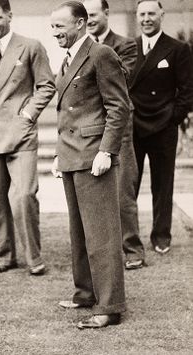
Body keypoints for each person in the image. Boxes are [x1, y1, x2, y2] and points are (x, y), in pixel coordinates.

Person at [50, 1, 129, 329]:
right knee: (80, 231)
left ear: (81, 23)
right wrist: (59, 153)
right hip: (71, 156)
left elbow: (119, 106)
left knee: (102, 234)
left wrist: (106, 151)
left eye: (60, 27)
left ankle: (109, 305)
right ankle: (86, 292)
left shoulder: (101, 54)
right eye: (52, 27)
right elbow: (67, 112)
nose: (55, 33)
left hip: (93, 157)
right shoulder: (68, 58)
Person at [0, 0, 55, 275]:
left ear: (9, 16)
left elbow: (46, 85)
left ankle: (34, 258)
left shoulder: (30, 46)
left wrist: (27, 114)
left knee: (25, 195)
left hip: (21, 134)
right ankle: (4, 256)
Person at [83, 0, 144, 270]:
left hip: (118, 126)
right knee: (93, 190)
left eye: (94, 14)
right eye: (85, 16)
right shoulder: (79, 47)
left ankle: (132, 249)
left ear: (107, 13)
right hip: (89, 125)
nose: (90, 20)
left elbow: (123, 79)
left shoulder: (126, 44)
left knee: (123, 188)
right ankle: (101, 249)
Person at [129, 0, 193, 255]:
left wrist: (172, 118)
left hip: (163, 126)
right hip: (133, 125)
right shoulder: (128, 48)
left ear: (162, 15)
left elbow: (188, 91)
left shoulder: (178, 48)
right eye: (142, 14)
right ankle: (129, 237)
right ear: (136, 17)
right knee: (129, 184)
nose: (146, 19)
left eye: (151, 14)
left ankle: (161, 235)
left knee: (163, 184)